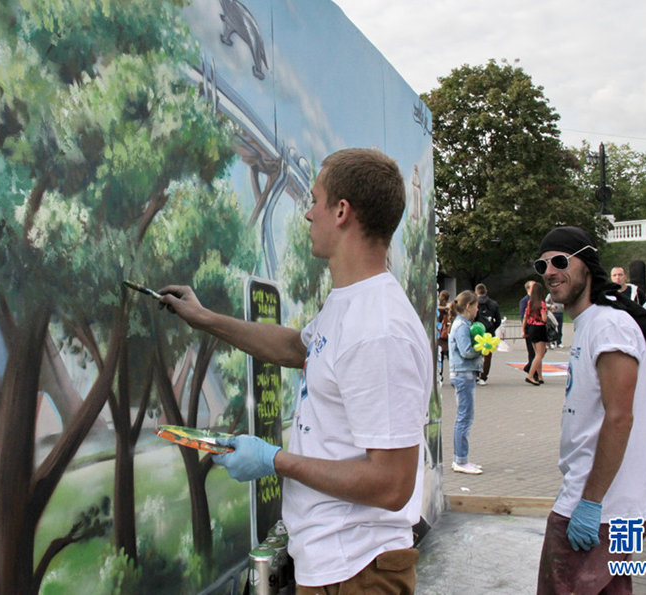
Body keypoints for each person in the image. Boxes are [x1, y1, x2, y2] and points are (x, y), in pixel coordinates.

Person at [159, 148, 432, 592]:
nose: (307, 213)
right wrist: (205, 319)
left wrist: (274, 460)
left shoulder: (379, 331)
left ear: (342, 211)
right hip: (336, 565)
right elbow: (298, 347)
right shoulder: (350, 304)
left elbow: (392, 484)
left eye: (315, 199)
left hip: (358, 571)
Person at [534, 226, 646, 594]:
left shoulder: (609, 325)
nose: (549, 272)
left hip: (598, 509)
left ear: (587, 264)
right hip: (605, 506)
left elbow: (620, 417)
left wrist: (589, 503)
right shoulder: (593, 324)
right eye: (541, 265)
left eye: (559, 261)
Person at [448, 290, 485, 474]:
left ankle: (461, 458)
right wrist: (482, 348)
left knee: (465, 416)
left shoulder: (461, 324)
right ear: (469, 306)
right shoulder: (462, 325)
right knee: (464, 417)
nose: (477, 309)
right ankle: (460, 460)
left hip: (464, 374)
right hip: (463, 374)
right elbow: (466, 351)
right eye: (476, 306)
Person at [474, 283, 501, 386]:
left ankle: (475, 374)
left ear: (476, 292)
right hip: (489, 333)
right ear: (486, 291)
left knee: (475, 354)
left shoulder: (474, 303)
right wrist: (492, 328)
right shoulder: (493, 304)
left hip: (476, 332)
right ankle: (483, 377)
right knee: (487, 356)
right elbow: (498, 320)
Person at [522, 282, 548, 386]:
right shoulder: (541, 303)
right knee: (540, 354)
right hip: (540, 328)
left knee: (537, 353)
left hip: (531, 328)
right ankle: (530, 375)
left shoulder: (530, 303)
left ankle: (540, 376)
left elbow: (525, 317)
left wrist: (524, 330)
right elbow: (544, 318)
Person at [519, 280, 540, 383]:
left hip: (539, 328)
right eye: (533, 287)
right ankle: (533, 373)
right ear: (528, 289)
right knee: (533, 352)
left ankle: (529, 367)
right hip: (530, 329)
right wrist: (525, 330)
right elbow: (523, 317)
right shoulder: (524, 301)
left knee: (540, 352)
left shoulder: (538, 299)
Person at [438, 290, 452, 381]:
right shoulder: (449, 308)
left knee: (440, 357)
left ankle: (440, 375)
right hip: (448, 333)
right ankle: (454, 374)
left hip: (439, 334)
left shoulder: (437, 308)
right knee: (451, 356)